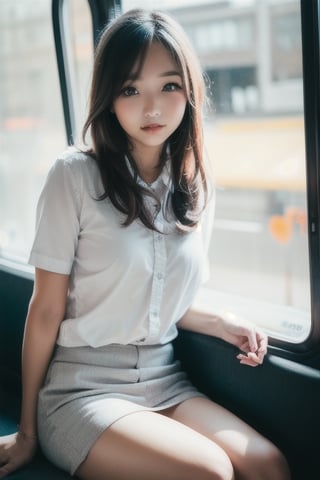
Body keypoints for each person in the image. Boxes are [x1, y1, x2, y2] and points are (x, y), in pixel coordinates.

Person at [0, 9, 291, 480]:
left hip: (162, 376)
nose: (151, 107)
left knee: (268, 466)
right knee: (212, 472)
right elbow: (46, 310)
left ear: (189, 92)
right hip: (82, 390)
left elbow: (158, 298)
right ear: (109, 96)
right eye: (131, 89)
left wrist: (222, 321)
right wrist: (28, 431)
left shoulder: (195, 184)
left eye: (169, 86)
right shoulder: (73, 177)